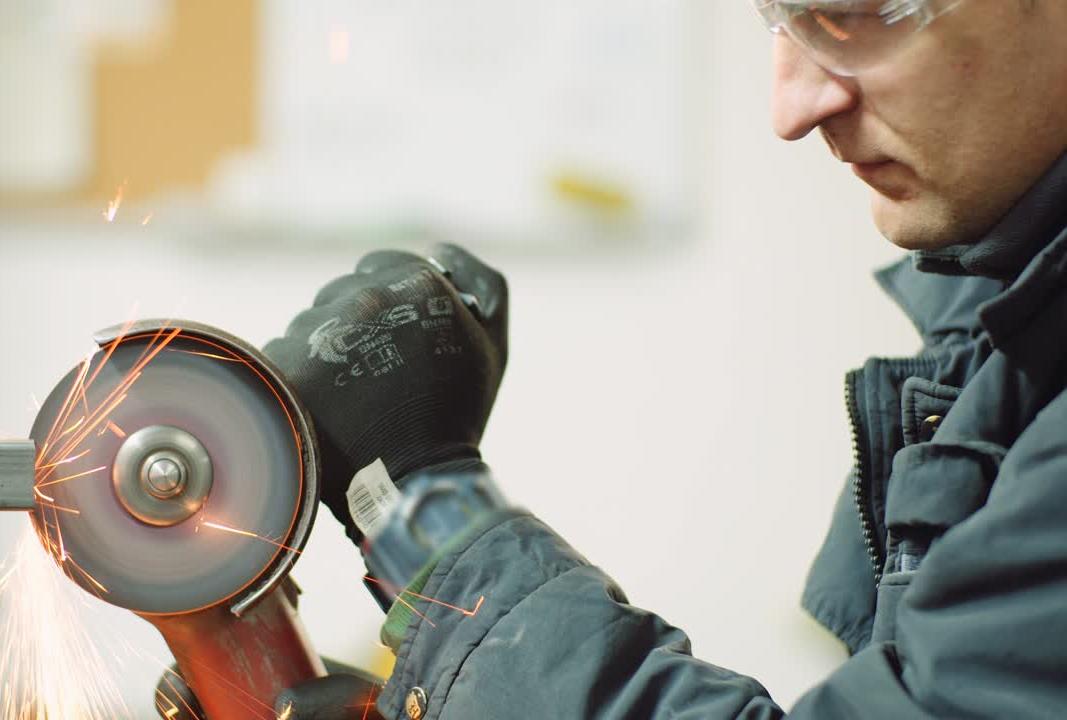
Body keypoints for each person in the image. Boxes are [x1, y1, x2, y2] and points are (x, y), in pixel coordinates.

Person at [159, 1, 1067, 717]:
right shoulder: (1008, 343)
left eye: (849, 13)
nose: (792, 107)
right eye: (777, 19)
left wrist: (432, 507)